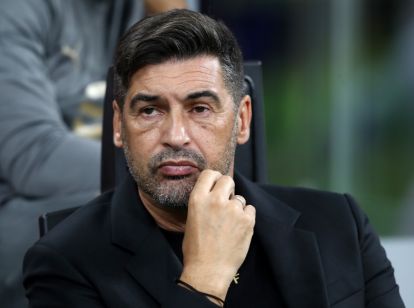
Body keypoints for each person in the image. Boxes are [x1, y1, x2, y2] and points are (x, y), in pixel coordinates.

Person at [23, 9, 405, 307]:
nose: (175, 136)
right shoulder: (65, 261)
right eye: (150, 111)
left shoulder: (340, 224)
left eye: (200, 109)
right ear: (119, 128)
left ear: (241, 120)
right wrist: (205, 278)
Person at [0, 1, 193, 307]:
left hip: (117, 194)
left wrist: (170, 18)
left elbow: (199, 122)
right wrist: (170, 173)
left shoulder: (157, 5)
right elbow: (32, 154)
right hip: (19, 211)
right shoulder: (18, 9)